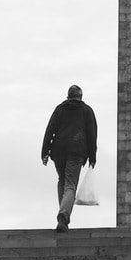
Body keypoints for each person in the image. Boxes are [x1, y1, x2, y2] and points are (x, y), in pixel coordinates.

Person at [41, 84, 97, 233]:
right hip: (76, 152)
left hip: (58, 152)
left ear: (68, 96)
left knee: (62, 181)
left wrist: (45, 152)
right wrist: (92, 156)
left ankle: (63, 215)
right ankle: (63, 216)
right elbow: (92, 135)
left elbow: (50, 130)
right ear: (81, 97)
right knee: (70, 185)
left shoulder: (60, 109)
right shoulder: (87, 111)